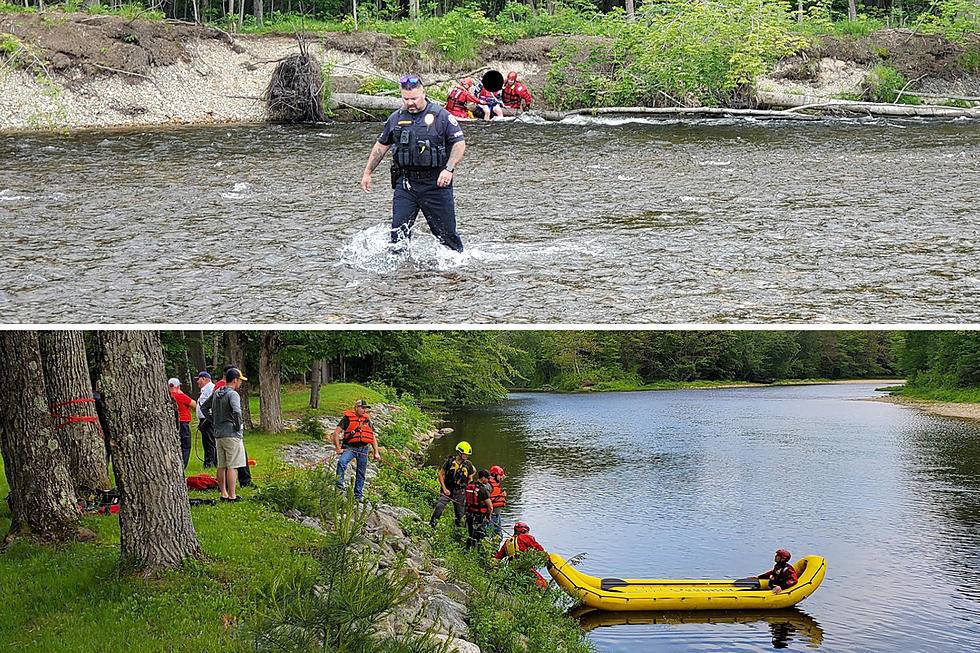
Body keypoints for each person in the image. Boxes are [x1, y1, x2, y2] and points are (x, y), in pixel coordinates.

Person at [361, 74, 466, 252]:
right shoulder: (396, 118)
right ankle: (401, 276)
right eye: (406, 99)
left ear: (423, 93)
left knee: (447, 237)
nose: (410, 103)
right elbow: (381, 145)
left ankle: (456, 272)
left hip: (436, 185)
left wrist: (449, 169)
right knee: (398, 237)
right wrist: (367, 173)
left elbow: (459, 143)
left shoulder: (441, 116)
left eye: (414, 98)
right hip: (406, 185)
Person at [201, 367, 248, 502]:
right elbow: (237, 411)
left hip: (219, 433)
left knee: (221, 465)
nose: (241, 383)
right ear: (235, 380)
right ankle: (232, 495)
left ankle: (223, 493)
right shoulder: (233, 394)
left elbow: (204, 407)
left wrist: (213, 420)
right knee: (232, 466)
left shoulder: (217, 393)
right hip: (231, 433)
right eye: (240, 380)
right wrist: (238, 426)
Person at [332, 399, 381, 500]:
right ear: (356, 407)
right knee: (341, 462)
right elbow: (336, 433)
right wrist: (338, 448)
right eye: (362, 408)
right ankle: (339, 488)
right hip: (351, 448)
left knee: (361, 472)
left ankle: (358, 495)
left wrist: (376, 452)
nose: (364, 411)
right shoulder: (347, 419)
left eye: (365, 409)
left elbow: (372, 437)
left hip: (364, 449)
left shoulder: (367, 421)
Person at [430, 441, 476, 528]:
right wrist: (444, 489)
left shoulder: (468, 465)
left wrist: (466, 492)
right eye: (465, 454)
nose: (467, 456)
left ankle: (458, 530)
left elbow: (470, 479)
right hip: (448, 489)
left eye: (467, 455)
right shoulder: (449, 462)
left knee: (459, 515)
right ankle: (432, 526)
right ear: (459, 453)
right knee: (439, 507)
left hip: (460, 492)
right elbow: (440, 474)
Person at [493, 521, 547, 587]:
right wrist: (548, 559)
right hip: (525, 567)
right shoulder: (526, 537)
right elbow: (540, 550)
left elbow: (498, 556)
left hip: (512, 570)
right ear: (524, 531)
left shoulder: (507, 542)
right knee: (542, 584)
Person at [168, 377, 196, 470]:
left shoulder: (167, 396)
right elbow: (194, 404)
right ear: (178, 386)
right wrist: (181, 392)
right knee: (186, 445)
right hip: (183, 422)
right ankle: (183, 466)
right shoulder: (180, 396)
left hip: (172, 423)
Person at [464, 469, 495, 549]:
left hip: (469, 514)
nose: (488, 480)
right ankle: (477, 552)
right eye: (487, 478)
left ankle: (467, 550)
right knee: (479, 535)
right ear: (483, 478)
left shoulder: (470, 485)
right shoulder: (483, 490)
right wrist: (489, 516)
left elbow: (465, 500)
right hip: (479, 516)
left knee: (470, 533)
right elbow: (490, 507)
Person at [195, 371, 216, 468]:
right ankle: (210, 461)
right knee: (206, 441)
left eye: (198, 379)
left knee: (209, 441)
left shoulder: (210, 388)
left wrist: (209, 417)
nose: (197, 382)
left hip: (207, 419)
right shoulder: (205, 389)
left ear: (203, 378)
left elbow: (211, 404)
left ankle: (210, 462)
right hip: (204, 420)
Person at [488, 465, 507, 535]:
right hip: (490, 517)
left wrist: (501, 493)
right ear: (494, 475)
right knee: (489, 536)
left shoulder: (496, 484)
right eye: (500, 475)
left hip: (497, 516)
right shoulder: (488, 486)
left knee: (499, 536)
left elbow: (495, 494)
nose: (501, 478)